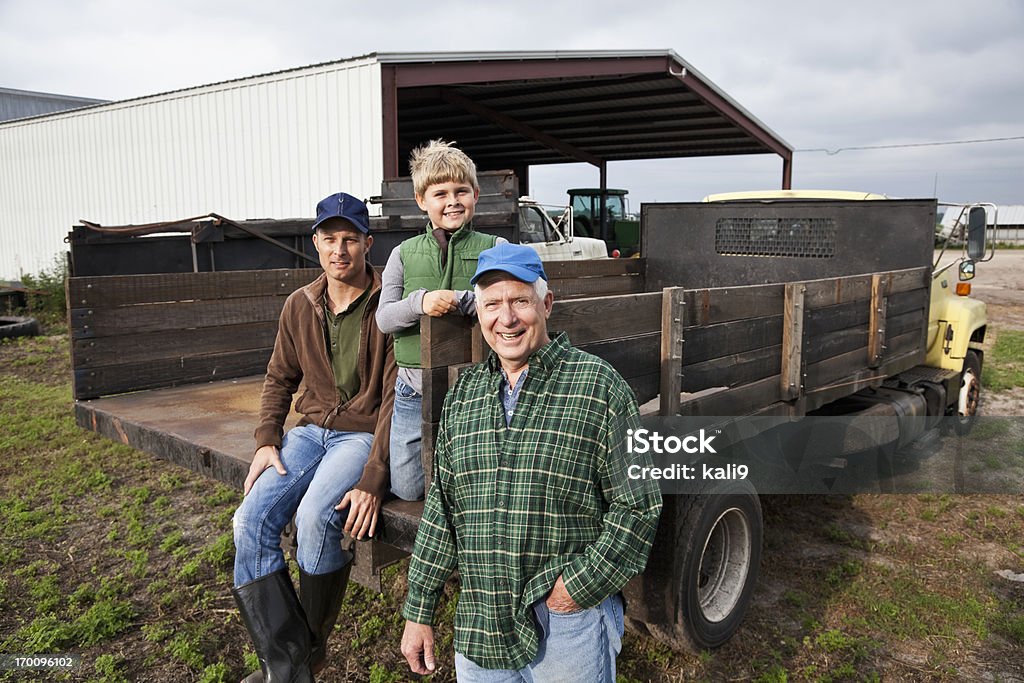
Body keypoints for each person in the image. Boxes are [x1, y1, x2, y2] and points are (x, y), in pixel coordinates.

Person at [399, 243, 663, 682]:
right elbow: (442, 512)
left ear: (546, 304)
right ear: (479, 313)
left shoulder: (598, 387)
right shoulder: (463, 398)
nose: (507, 318)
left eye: (520, 300)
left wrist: (573, 591)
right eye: (492, 304)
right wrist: (419, 609)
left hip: (565, 625)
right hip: (480, 623)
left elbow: (638, 506)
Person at [231, 192, 396, 682]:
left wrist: (375, 474)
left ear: (368, 243)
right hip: (309, 432)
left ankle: (307, 653)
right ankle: (292, 664)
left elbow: (394, 398)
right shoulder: (298, 304)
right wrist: (266, 439)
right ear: (315, 243)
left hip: (360, 435)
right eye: (329, 238)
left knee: (315, 518)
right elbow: (279, 377)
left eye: (349, 239)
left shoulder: (389, 304)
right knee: (248, 522)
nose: (339, 249)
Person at [375, 139, 503, 501]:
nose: (452, 201)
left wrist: (464, 300)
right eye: (440, 193)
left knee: (473, 476)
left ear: (475, 194)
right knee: (408, 487)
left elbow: (510, 304)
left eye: (461, 191)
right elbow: (385, 319)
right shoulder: (403, 254)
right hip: (412, 387)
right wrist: (420, 301)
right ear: (421, 201)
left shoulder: (493, 248)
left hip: (476, 383)